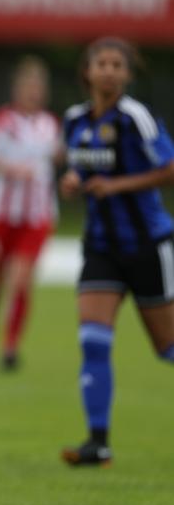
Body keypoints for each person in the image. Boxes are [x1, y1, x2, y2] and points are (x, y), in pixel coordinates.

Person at [59, 37, 174, 466]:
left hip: (147, 245)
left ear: (127, 75)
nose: (108, 70)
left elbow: (169, 169)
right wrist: (70, 183)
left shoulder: (136, 118)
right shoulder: (73, 120)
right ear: (87, 72)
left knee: (167, 348)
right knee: (93, 341)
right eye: (100, 64)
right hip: (101, 248)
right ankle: (98, 442)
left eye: (116, 65)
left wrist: (117, 186)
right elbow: (78, 167)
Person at [0, 56, 63, 370]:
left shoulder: (52, 125)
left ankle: (10, 347)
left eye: (38, 87)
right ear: (17, 89)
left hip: (37, 217)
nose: (33, 92)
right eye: (28, 86)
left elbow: (61, 156)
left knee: (21, 279)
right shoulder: (0, 121)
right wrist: (10, 169)